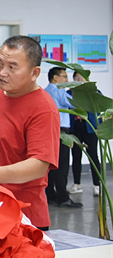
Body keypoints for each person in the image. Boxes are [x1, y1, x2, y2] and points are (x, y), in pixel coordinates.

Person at [0, 35, 61, 230]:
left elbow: (39, 165)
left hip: (22, 216)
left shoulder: (43, 108)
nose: (2, 72)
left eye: (12, 67)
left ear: (34, 72)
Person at [44, 67, 82, 208]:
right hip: (61, 130)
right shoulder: (58, 90)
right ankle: (63, 197)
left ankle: (51, 195)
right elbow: (72, 103)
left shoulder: (45, 91)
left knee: (52, 164)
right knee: (62, 164)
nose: (67, 80)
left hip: (50, 130)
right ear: (55, 78)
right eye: (64, 77)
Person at [68, 72, 102, 196]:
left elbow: (100, 105)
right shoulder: (69, 93)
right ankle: (76, 184)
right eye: (76, 78)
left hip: (90, 128)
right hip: (75, 127)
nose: (79, 79)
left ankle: (97, 185)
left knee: (93, 156)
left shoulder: (93, 92)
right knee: (76, 156)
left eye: (81, 77)